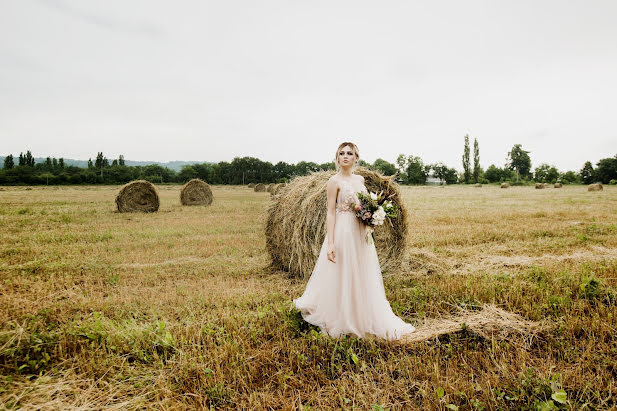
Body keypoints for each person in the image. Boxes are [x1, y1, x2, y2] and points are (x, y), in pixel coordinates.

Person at [293, 142, 416, 341]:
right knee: (343, 270)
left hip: (360, 232)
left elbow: (365, 204)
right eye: (341, 153)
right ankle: (341, 316)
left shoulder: (360, 180)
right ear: (337, 158)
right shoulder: (334, 181)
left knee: (361, 270)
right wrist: (330, 243)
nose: (345, 156)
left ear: (356, 158)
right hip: (343, 230)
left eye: (349, 153)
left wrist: (372, 217)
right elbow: (330, 212)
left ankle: (362, 314)